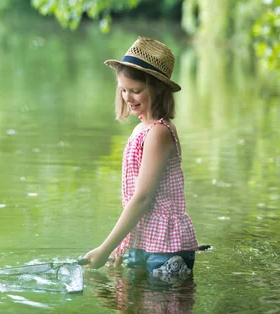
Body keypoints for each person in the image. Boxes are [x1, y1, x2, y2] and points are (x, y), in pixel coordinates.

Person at [84, 36, 199, 274]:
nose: (128, 97)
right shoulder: (141, 129)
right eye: (123, 90)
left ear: (158, 89)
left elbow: (143, 198)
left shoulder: (158, 133)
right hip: (144, 238)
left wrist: (105, 248)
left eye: (136, 91)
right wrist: (123, 245)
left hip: (166, 247)